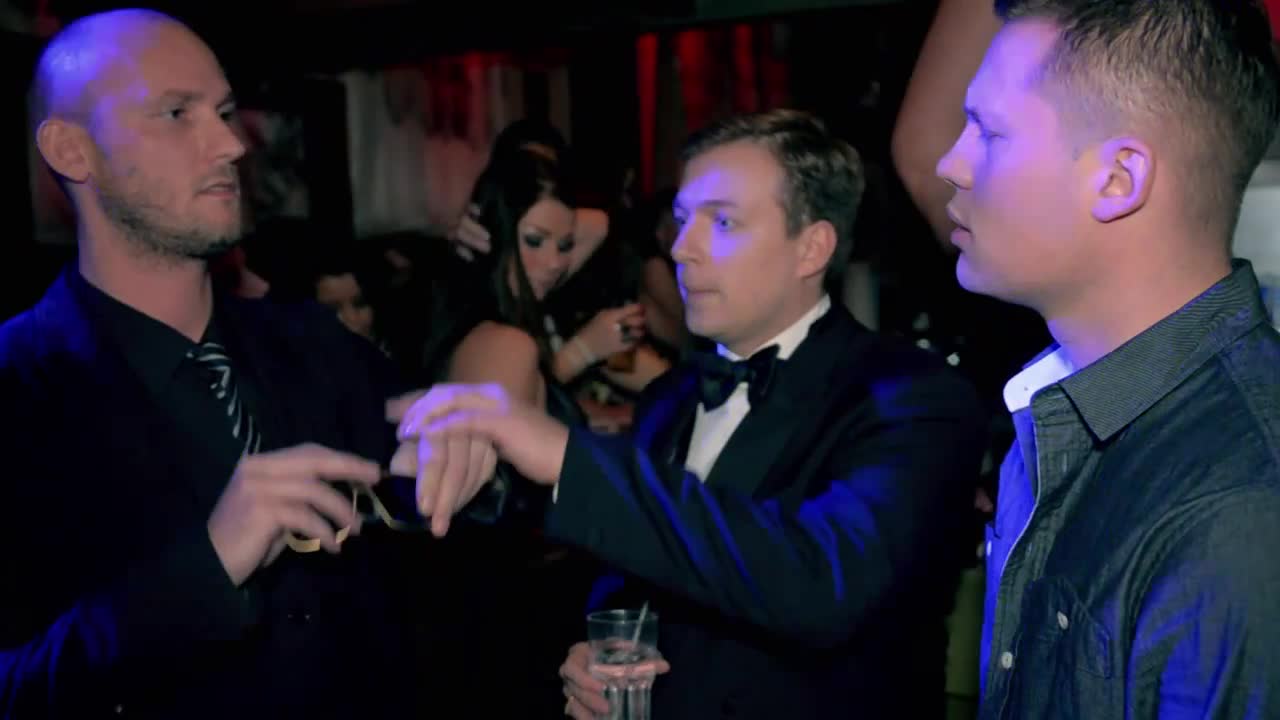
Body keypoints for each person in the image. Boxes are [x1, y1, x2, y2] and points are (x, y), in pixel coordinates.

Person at [396, 109, 988, 720]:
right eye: (682, 220)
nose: (682, 248)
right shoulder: (669, 397)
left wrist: (568, 457)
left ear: (811, 247)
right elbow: (641, 571)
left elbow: (823, 584)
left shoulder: (913, 397)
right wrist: (597, 656)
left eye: (722, 222)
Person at [0, 10, 475, 717]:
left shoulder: (313, 343)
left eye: (224, 112)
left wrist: (454, 450)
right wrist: (210, 565)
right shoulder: (18, 391)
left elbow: (435, 522)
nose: (230, 143)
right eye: (176, 113)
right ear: (73, 151)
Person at [932, 0, 1280, 716]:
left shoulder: (1240, 508)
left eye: (988, 131)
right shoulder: (1057, 413)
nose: (949, 163)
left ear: (1119, 178)